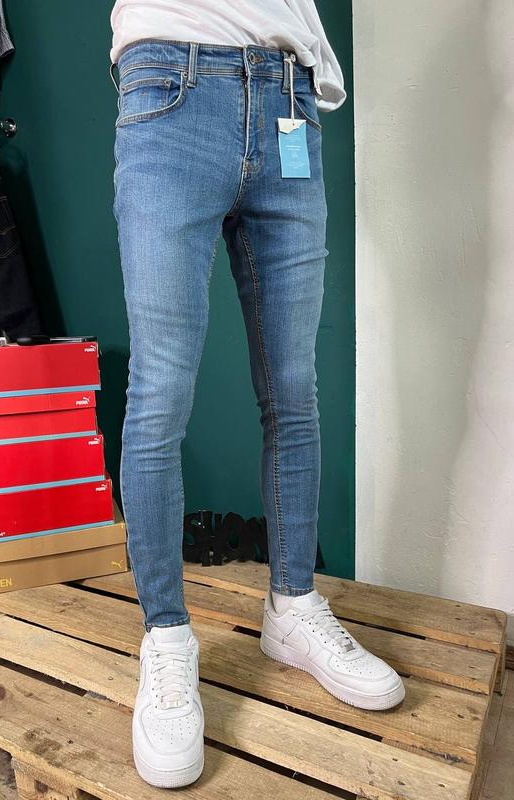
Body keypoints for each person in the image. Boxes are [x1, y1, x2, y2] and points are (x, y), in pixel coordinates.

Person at [110, 1, 405, 788]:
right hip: (168, 86)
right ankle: (167, 639)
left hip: (288, 98)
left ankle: (293, 609)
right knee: (160, 396)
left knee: (294, 391)